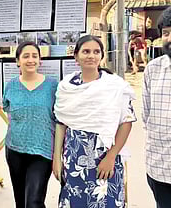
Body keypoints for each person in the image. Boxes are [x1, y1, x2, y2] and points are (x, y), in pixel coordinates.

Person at [53, 35, 136, 208]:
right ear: (76, 56)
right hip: (74, 157)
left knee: (105, 201)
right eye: (86, 51)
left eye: (96, 52)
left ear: (101, 56)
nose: (91, 56)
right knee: (75, 201)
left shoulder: (114, 85)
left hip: (105, 157)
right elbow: (61, 123)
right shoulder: (66, 86)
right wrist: (57, 159)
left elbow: (126, 122)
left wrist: (112, 156)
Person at [2, 41, 58, 208]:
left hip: (43, 151)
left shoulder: (52, 86)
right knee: (20, 202)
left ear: (40, 61)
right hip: (14, 150)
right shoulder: (11, 85)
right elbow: (9, 112)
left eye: (35, 56)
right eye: (25, 56)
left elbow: (60, 118)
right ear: (18, 61)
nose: (30, 60)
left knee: (33, 202)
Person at [143, 6, 171, 208]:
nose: (170, 38)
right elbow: (146, 114)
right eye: (166, 33)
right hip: (159, 165)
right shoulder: (153, 69)